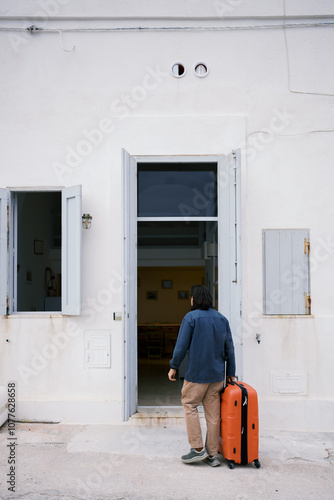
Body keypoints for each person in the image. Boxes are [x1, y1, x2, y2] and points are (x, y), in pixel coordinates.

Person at [168, 284, 236, 467]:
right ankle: (213, 455)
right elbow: (230, 348)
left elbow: (181, 346)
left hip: (197, 375)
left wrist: (173, 366)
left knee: (189, 405)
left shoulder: (191, 317)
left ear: (194, 299)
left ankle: (197, 449)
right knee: (213, 416)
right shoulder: (222, 319)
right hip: (216, 377)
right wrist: (231, 374)